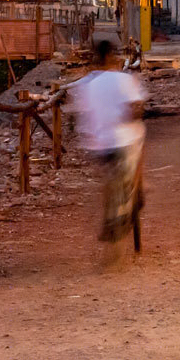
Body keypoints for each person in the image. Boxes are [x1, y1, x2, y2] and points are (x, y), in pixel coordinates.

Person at [72, 39, 147, 262]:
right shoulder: (124, 80)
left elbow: (83, 114)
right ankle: (137, 187)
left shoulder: (86, 83)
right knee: (139, 134)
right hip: (122, 140)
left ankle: (112, 212)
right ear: (112, 57)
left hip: (98, 145)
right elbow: (136, 108)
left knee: (109, 176)